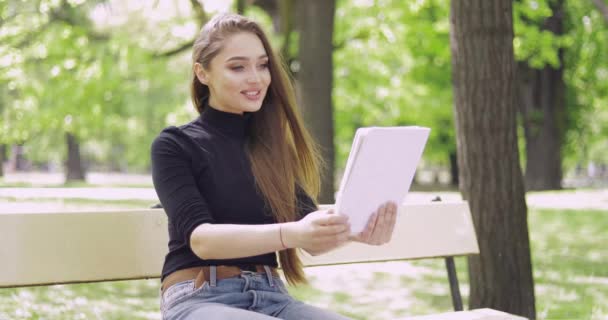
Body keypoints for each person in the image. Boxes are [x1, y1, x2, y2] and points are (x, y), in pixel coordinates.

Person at [151, 13, 397, 320]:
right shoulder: (174, 145)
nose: (256, 78)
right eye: (237, 66)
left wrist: (358, 230)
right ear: (202, 73)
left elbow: (309, 232)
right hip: (199, 298)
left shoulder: (271, 150)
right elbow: (202, 240)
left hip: (273, 298)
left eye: (263, 64)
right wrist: (290, 234)